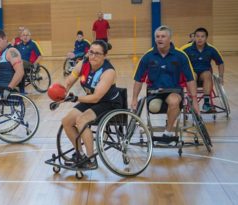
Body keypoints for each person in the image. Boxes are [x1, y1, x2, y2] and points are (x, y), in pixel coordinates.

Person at [131, 25, 199, 140]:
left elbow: (190, 79)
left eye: (163, 36)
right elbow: (138, 79)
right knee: (153, 107)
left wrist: (195, 100)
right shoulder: (148, 56)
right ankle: (171, 115)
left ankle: (167, 133)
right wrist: (134, 99)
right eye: (157, 36)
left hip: (174, 91)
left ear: (170, 39)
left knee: (173, 101)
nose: (159, 39)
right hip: (154, 93)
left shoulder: (180, 56)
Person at [62, 40, 121, 168]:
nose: (93, 56)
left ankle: (91, 159)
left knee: (81, 120)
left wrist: (75, 98)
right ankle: (80, 154)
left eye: (97, 54)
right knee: (66, 121)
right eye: (91, 52)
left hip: (108, 103)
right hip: (90, 100)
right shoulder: (83, 64)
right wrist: (63, 91)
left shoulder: (108, 71)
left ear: (104, 56)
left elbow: (96, 98)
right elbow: (70, 79)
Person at [181, 27, 225, 112]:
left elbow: (220, 63)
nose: (199, 38)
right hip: (192, 72)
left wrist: (221, 76)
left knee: (208, 74)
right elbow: (177, 59)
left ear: (206, 38)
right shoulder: (186, 48)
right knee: (192, 75)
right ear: (194, 37)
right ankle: (191, 102)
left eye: (202, 36)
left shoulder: (211, 49)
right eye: (197, 36)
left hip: (204, 73)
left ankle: (206, 103)